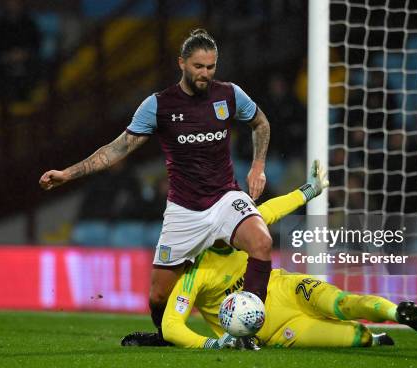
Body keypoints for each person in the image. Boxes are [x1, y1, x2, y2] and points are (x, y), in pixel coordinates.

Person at [39, 29, 272, 342]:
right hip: (184, 210)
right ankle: (165, 336)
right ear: (182, 63)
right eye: (198, 66)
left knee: (262, 242)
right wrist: (68, 174)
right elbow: (117, 149)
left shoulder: (229, 94)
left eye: (211, 67)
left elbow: (260, 123)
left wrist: (258, 166)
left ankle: (249, 332)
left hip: (225, 197)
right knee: (158, 296)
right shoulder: (158, 105)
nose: (205, 73)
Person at [122, 161, 417, 349]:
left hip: (290, 290)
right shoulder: (194, 267)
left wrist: (309, 191)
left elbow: (271, 209)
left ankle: (396, 312)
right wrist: (214, 343)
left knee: (341, 303)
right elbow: (173, 325)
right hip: (277, 331)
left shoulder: (242, 229)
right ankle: (374, 337)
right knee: (357, 339)